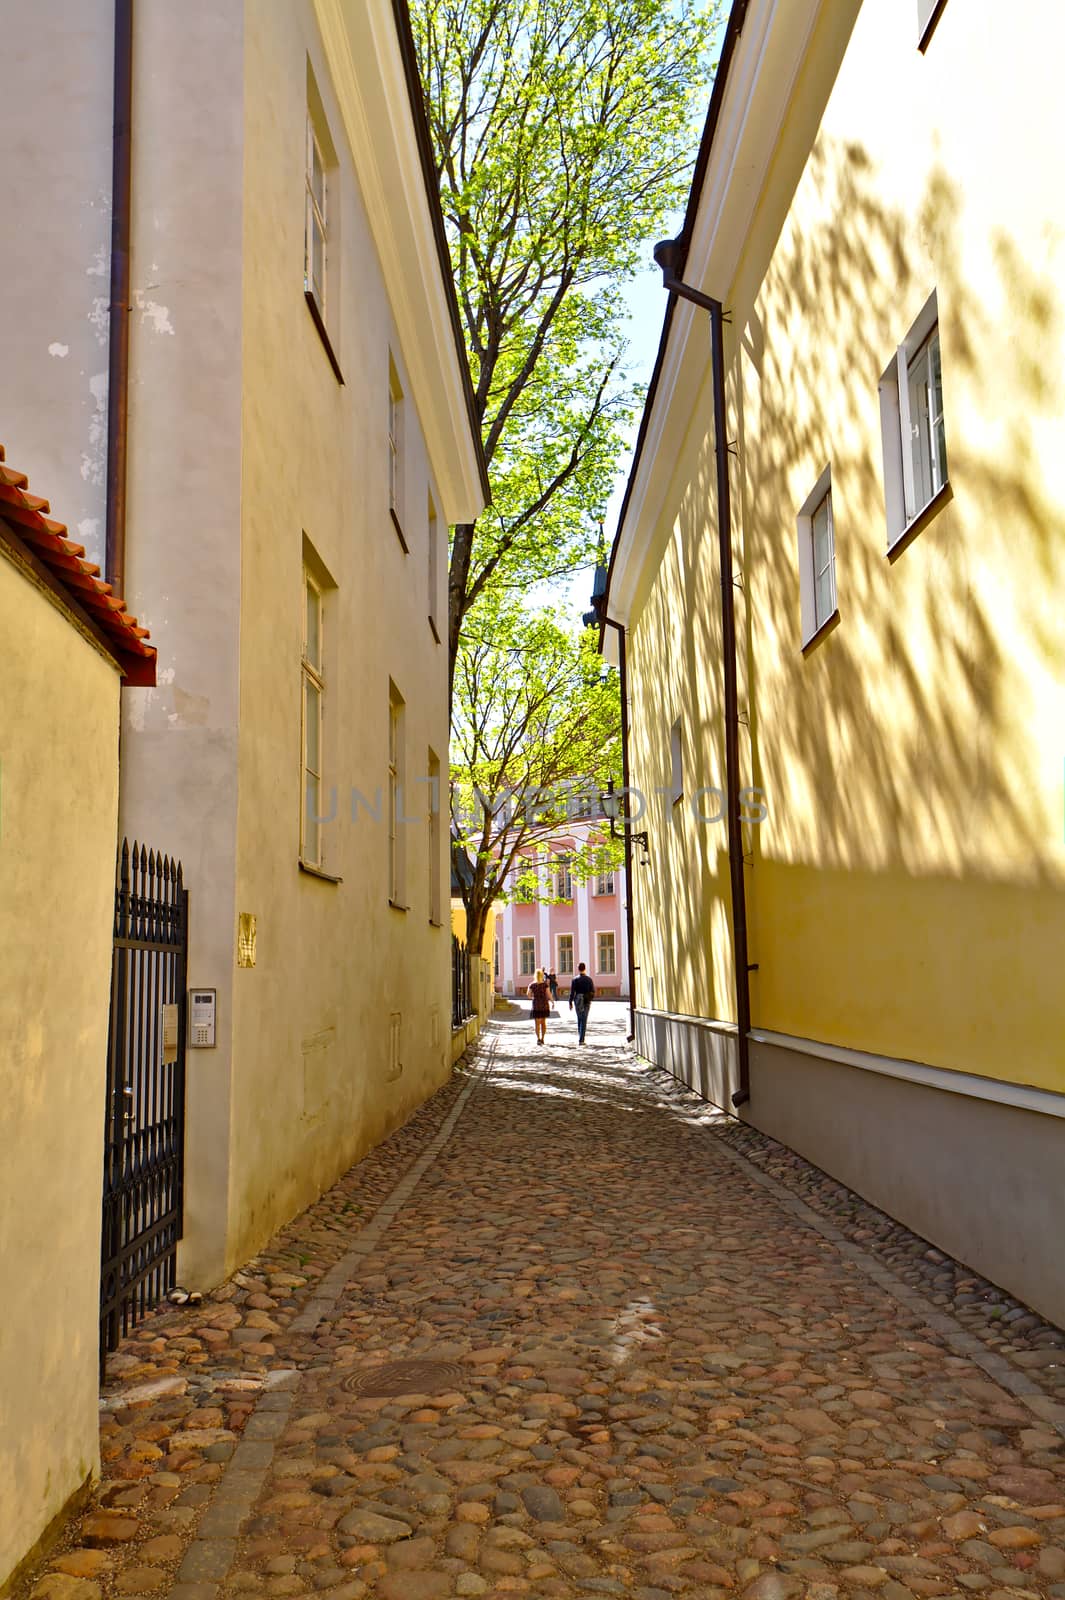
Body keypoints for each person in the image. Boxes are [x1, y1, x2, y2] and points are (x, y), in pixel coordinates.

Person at [568, 962, 595, 1045]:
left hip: (578, 1000)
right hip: (586, 1000)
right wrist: (590, 999)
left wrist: (570, 1002)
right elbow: (593, 991)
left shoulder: (575, 979)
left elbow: (572, 992)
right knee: (584, 1019)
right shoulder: (589, 979)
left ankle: (580, 1037)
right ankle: (581, 1039)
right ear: (585, 968)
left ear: (578, 969)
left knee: (579, 1018)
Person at [529, 967, 552, 1045]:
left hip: (536, 1004)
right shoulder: (545, 985)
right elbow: (548, 994)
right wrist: (552, 1001)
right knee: (543, 1022)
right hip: (544, 1004)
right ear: (542, 975)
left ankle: (538, 1038)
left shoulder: (532, 985)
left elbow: (528, 995)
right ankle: (543, 1038)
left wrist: (533, 997)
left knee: (537, 1023)